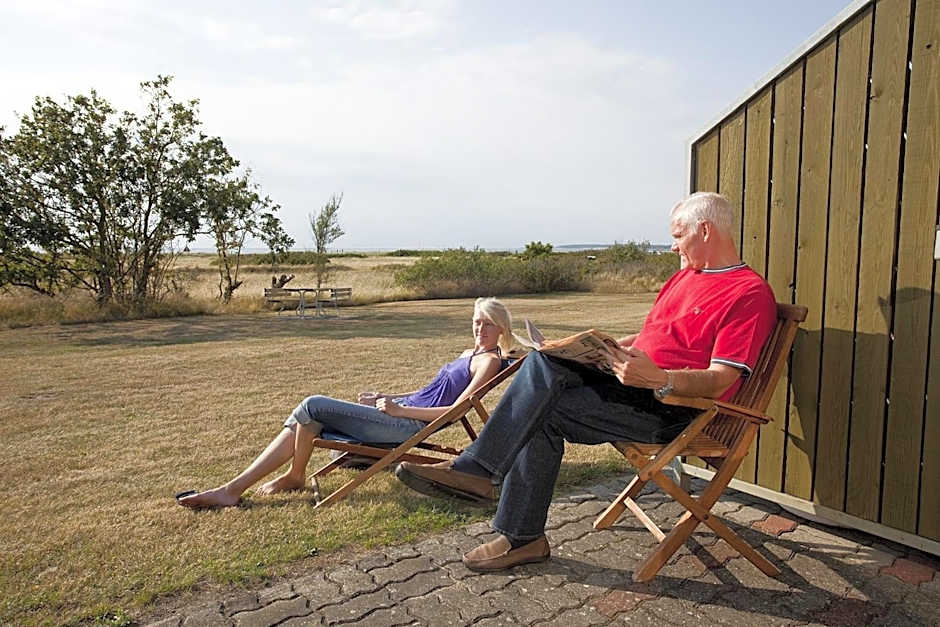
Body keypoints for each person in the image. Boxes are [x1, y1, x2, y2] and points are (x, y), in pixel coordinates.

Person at [395, 192, 777, 572]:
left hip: (673, 408)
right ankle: (506, 514)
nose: (673, 245)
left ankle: (499, 505)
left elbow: (720, 379)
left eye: (678, 236)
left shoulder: (747, 293)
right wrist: (602, 347)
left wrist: (662, 379)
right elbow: (655, 337)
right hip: (629, 385)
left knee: (539, 411)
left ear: (705, 230)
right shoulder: (683, 278)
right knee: (545, 360)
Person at [177, 297, 514, 509]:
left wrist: (400, 411)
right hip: (400, 413)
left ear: (500, 328)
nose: (479, 328)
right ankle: (239, 488)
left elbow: (456, 410)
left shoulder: (488, 362)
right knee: (306, 418)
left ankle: (283, 478)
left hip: (408, 426)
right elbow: (427, 392)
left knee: (312, 405)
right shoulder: (467, 353)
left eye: (487, 324)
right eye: (476, 322)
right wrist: (389, 397)